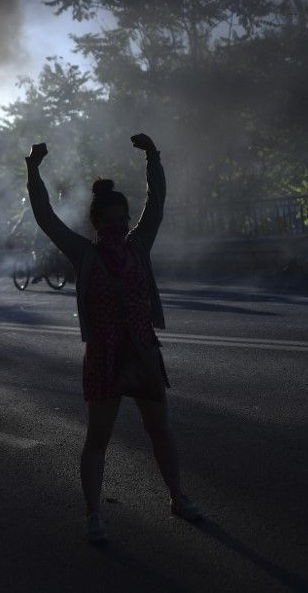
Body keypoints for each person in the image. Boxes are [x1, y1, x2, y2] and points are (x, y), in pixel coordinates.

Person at [25, 133, 201, 545]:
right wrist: (33, 170)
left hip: (141, 351)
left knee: (160, 429)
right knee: (98, 440)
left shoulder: (139, 247)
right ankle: (93, 515)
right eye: (111, 221)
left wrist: (153, 156)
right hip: (104, 356)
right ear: (97, 224)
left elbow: (155, 204)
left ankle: (177, 497)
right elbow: (46, 217)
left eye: (124, 219)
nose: (120, 226)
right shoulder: (83, 254)